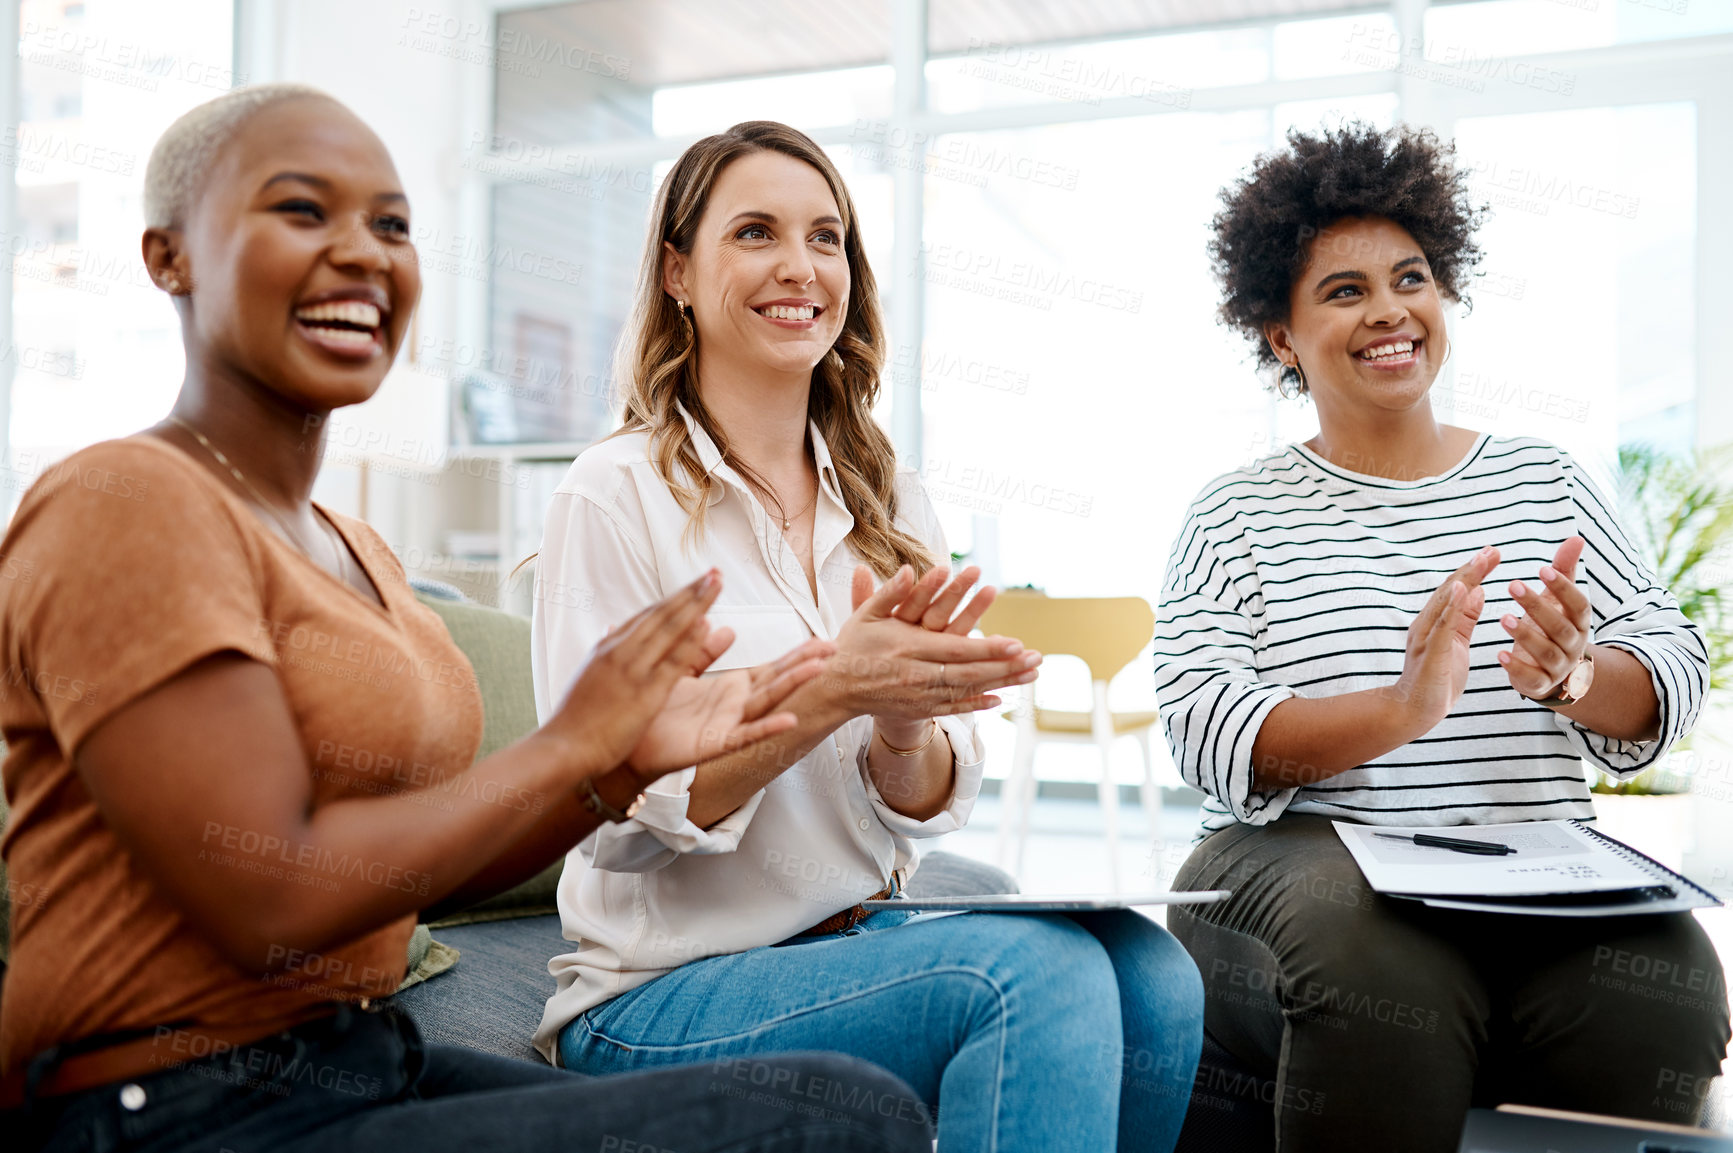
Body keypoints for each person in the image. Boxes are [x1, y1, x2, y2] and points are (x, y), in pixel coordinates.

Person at [0, 85, 936, 1153]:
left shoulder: (361, 557)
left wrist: (614, 769)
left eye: (390, 225)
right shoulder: (125, 499)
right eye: (301, 210)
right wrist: (580, 751)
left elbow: (428, 862)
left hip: (354, 1061)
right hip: (160, 1105)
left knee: (843, 1110)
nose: (360, 252)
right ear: (169, 256)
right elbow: (264, 891)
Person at [530, 120, 1206, 1152]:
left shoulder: (886, 496)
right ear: (676, 271)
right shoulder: (614, 493)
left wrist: (899, 726)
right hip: (657, 990)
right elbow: (604, 820)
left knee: (1153, 972)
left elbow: (923, 804)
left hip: (849, 938)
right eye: (754, 233)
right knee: (1035, 973)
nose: (800, 266)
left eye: (826, 237)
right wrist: (830, 692)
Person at [1155, 121, 1730, 1151]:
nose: (1388, 311)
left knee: (1663, 990)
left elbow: (1669, 669)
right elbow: (1205, 730)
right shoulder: (1234, 511)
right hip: (1296, 857)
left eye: (1408, 278)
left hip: (1527, 861)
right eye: (1343, 291)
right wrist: (1399, 710)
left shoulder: (1542, 479)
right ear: (1277, 336)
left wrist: (1574, 677)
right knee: (1381, 983)